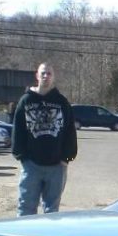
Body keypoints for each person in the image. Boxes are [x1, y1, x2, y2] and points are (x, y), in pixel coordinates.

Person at [12, 62, 77, 216]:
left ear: (53, 77)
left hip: (57, 166)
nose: (46, 76)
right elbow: (18, 130)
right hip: (31, 165)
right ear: (37, 76)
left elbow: (70, 131)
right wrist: (21, 156)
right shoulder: (26, 101)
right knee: (26, 208)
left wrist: (66, 158)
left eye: (49, 73)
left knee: (52, 211)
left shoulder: (61, 102)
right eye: (43, 73)